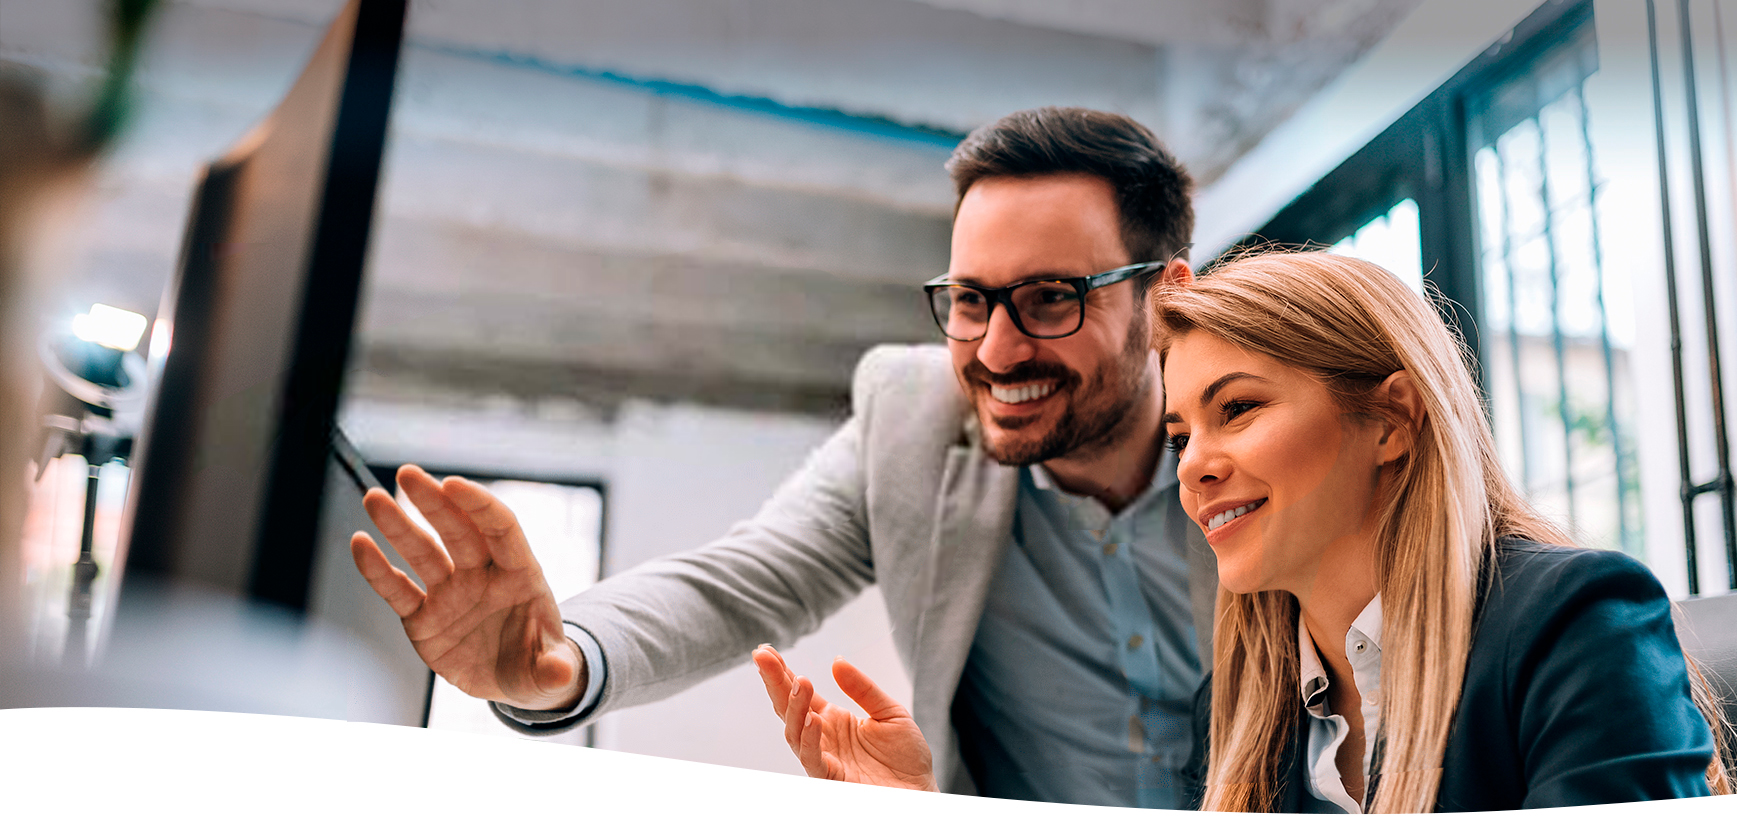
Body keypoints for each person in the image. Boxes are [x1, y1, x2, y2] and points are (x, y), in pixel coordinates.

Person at [347, 107, 1218, 807]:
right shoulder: (912, 418)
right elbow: (744, 579)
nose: (995, 350)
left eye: (1049, 299)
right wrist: (560, 659)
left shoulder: (1269, 441)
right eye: (970, 300)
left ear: (1168, 297)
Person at [750, 250, 1736, 813]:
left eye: (1239, 409)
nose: (1195, 463)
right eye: (1182, 429)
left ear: (1391, 418)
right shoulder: (1237, 710)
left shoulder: (1573, 621)